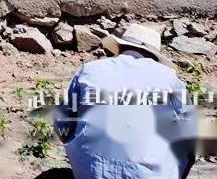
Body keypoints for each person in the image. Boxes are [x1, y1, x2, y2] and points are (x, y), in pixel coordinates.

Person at [55, 23, 196, 179]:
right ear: (154, 57)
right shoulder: (170, 79)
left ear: (119, 47)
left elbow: (62, 121)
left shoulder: (88, 70)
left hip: (91, 172)